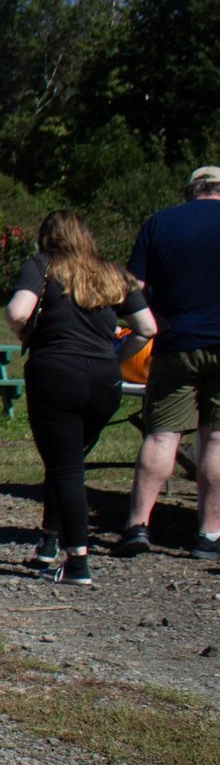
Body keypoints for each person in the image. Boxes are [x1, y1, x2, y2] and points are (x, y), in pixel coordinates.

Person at [9, 210, 155, 584]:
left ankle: (77, 561)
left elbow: (16, 311)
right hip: (103, 381)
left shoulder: (43, 266)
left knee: (66, 467)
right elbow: (147, 327)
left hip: (56, 374)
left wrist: (27, 333)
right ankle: (47, 544)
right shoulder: (112, 272)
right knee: (67, 460)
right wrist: (116, 358)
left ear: (47, 237)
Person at [114, 166, 220, 561]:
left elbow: (131, 288)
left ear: (192, 191)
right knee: (216, 438)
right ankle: (208, 534)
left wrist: (151, 321)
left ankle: (137, 526)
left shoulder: (160, 223)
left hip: (175, 341)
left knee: (161, 435)